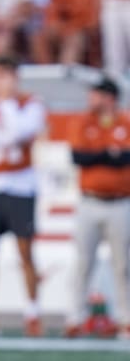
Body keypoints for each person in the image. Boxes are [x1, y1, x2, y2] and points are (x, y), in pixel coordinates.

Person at [0, 55, 46, 337]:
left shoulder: (29, 103)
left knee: (25, 251)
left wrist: (6, 103)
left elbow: (17, 134)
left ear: (16, 76)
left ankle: (33, 312)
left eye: (7, 75)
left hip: (21, 184)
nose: (3, 81)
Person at [64, 78, 130, 339]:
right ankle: (75, 317)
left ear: (109, 97)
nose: (92, 98)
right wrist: (108, 154)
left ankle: (125, 318)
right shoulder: (84, 121)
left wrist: (101, 155)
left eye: (97, 94)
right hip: (89, 201)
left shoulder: (124, 121)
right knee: (82, 262)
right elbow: (79, 157)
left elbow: (126, 157)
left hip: (120, 201)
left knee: (123, 264)